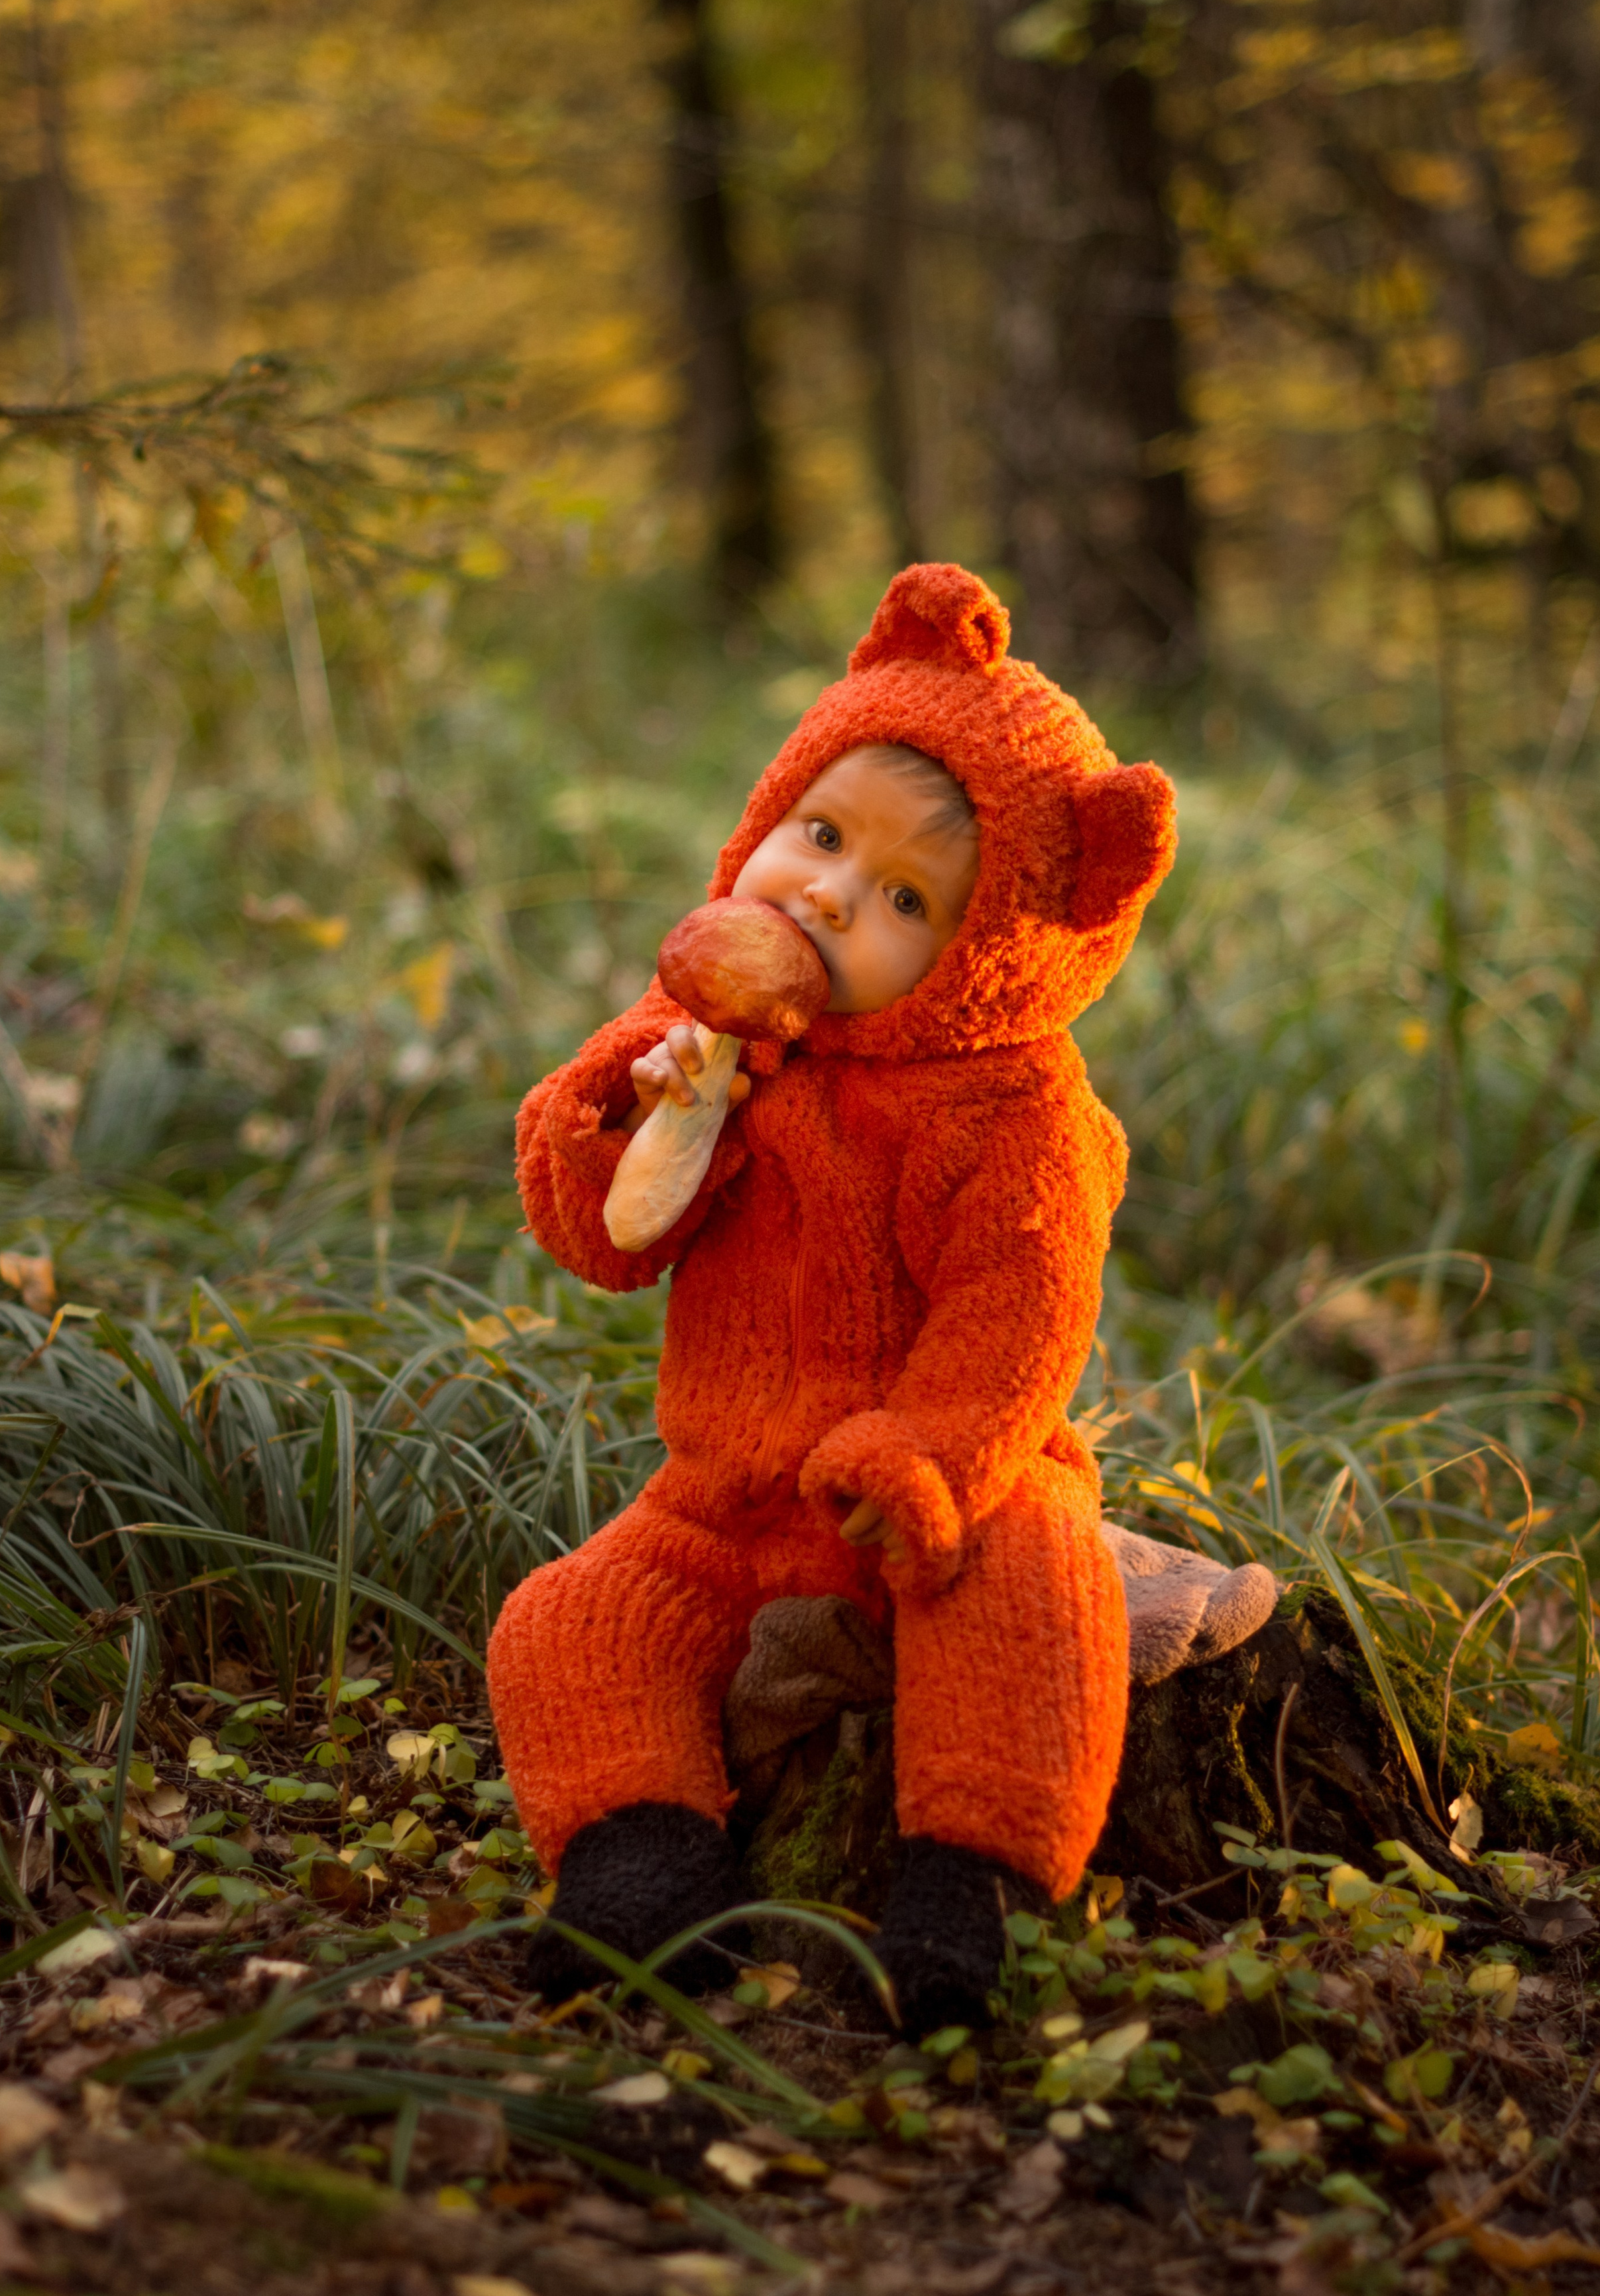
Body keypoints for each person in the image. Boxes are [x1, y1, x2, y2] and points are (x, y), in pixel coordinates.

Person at [488, 561, 1176, 2032]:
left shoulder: (1010, 1112)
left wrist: (930, 1452)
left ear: (1000, 944)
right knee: (570, 1620)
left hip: (927, 1491)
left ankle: (966, 1883)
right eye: (816, 835)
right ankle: (642, 1859)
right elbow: (607, 1238)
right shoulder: (707, 1033)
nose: (822, 893)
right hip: (724, 1497)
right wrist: (631, 1109)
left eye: (903, 897)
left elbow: (1021, 1313)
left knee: (1036, 1596)